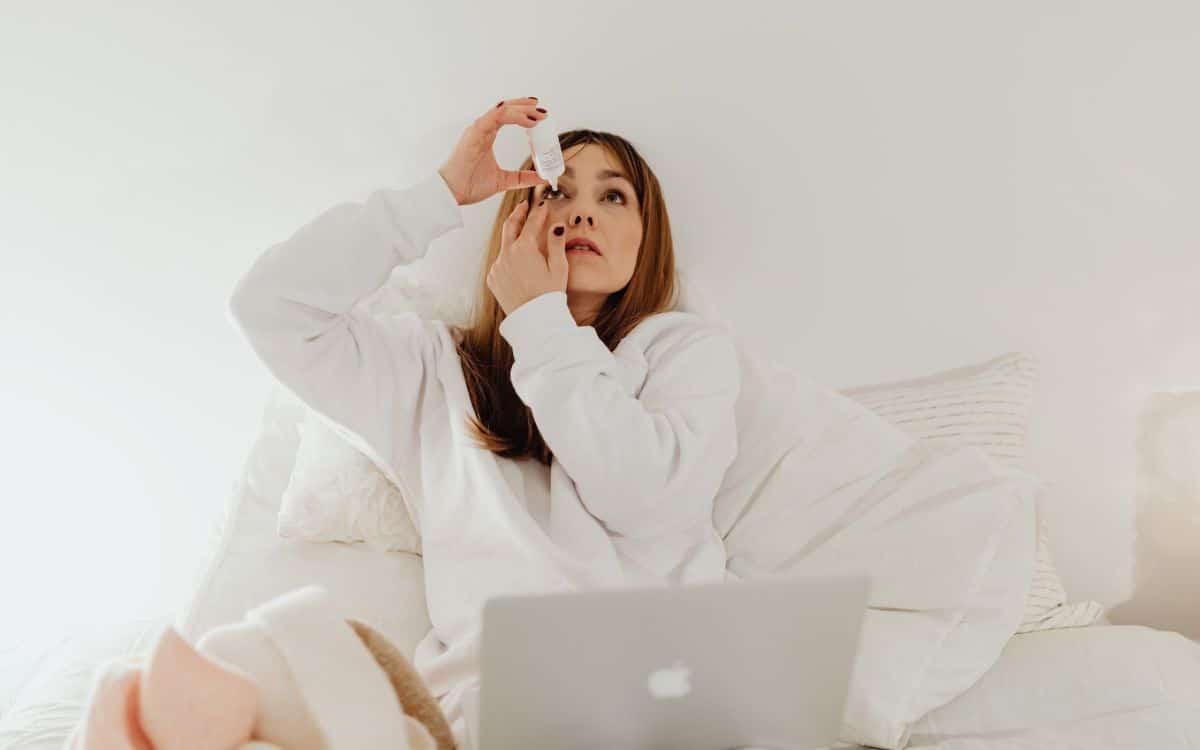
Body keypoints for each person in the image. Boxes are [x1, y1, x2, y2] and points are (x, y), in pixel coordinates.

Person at [228, 95, 741, 748]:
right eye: (556, 190)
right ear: (516, 220)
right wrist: (440, 196)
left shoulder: (683, 353)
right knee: (254, 659)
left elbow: (642, 497)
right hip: (492, 719)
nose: (581, 210)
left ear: (648, 239)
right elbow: (269, 307)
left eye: (614, 197)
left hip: (655, 706)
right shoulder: (436, 369)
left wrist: (540, 321)